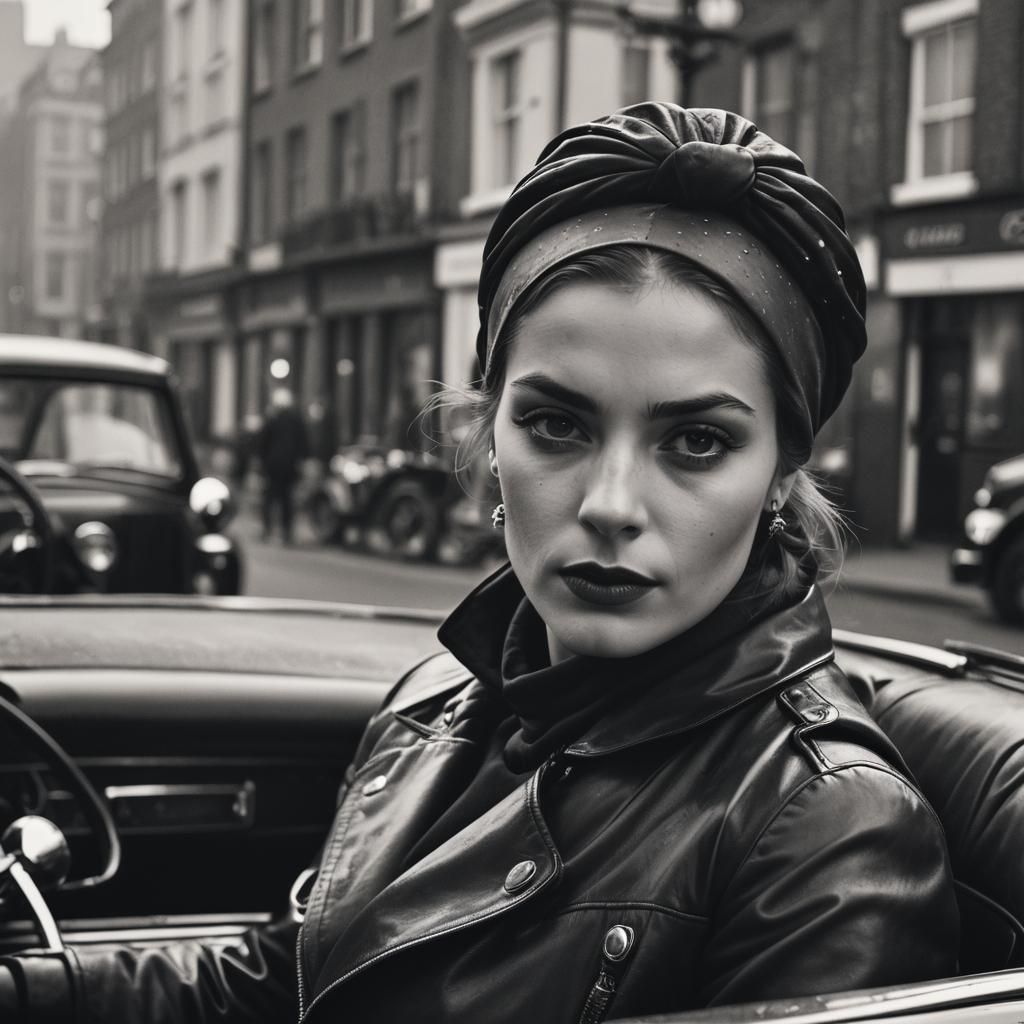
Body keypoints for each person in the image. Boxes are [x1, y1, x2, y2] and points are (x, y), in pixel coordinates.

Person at [0, 104, 958, 1021]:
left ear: (784, 472)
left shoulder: (828, 832)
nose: (611, 506)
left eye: (697, 442)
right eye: (556, 424)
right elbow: (272, 987)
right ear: (489, 434)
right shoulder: (435, 702)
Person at [257, 386, 309, 544]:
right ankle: (287, 531)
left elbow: (262, 442)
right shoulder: (296, 420)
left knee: (270, 497)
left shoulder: (272, 419)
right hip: (290, 465)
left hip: (273, 465)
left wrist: (262, 461)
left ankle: (268, 529)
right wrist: (301, 460)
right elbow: (304, 443)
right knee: (287, 498)